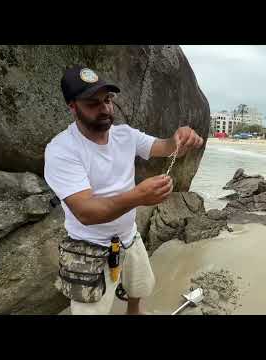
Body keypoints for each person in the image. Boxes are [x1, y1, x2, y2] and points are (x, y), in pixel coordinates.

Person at [44, 66, 203, 315]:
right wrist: (139, 196)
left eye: (107, 100)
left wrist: (181, 140)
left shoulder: (125, 135)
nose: (105, 108)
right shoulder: (61, 150)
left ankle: (134, 311)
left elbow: (165, 147)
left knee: (139, 290)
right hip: (90, 247)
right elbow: (86, 212)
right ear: (72, 106)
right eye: (93, 103)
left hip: (129, 236)